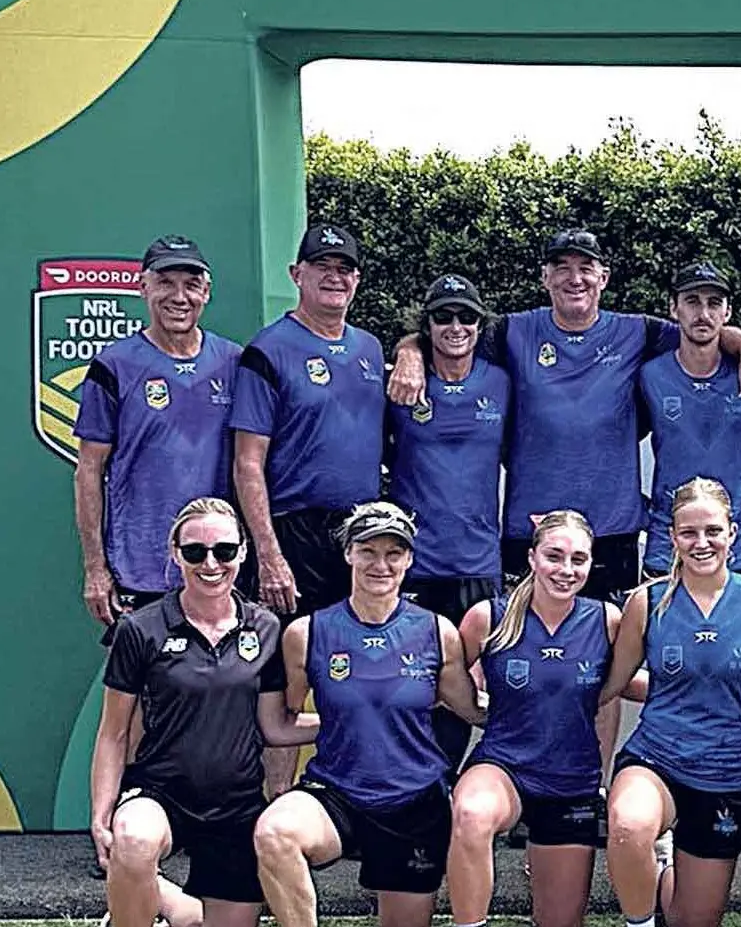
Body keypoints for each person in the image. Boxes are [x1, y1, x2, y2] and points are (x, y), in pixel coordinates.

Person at [388, 228, 741, 600]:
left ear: (603, 277)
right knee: (528, 647)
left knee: (607, 651)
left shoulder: (637, 332)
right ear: (545, 277)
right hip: (534, 529)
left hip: (612, 532)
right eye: (562, 267)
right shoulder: (511, 332)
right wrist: (409, 351)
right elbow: (452, 340)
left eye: (586, 267)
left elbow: (703, 331)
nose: (575, 279)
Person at [88, 497, 316, 927]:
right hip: (162, 795)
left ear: (242, 554)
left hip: (237, 807)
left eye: (223, 550)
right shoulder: (140, 630)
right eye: (196, 551)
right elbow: (114, 732)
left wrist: (354, 719)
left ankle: (151, 895)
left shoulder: (266, 628)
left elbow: (275, 728)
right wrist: (101, 814)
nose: (211, 563)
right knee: (134, 839)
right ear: (175, 554)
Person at [250, 502, 483, 927]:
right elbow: (280, 724)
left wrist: (541, 696)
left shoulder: (436, 632)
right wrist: (334, 727)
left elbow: (470, 708)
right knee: (274, 832)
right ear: (349, 553)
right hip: (338, 793)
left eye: (394, 553)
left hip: (414, 802)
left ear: (409, 560)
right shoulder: (307, 633)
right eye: (369, 551)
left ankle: (389, 890)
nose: (381, 564)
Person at [599, 477, 741, 927]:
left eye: (712, 531)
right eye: (687, 532)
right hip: (655, 756)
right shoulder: (648, 602)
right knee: (630, 822)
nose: (701, 543)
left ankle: (658, 867)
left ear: (734, 532)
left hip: (722, 770)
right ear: (670, 538)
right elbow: (611, 684)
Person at [443, 511, 619, 927]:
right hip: (506, 766)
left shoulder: (606, 620)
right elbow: (451, 681)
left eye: (578, 559)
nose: (566, 569)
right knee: (473, 813)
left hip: (572, 780)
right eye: (554, 556)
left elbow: (627, 681)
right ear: (531, 558)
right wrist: (480, 714)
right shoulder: (488, 617)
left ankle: (539, 868)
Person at [72, 235, 241, 632]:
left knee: (220, 690)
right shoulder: (112, 366)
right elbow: (88, 471)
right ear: (143, 286)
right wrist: (95, 568)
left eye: (191, 284)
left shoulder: (234, 362)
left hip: (218, 566)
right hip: (140, 570)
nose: (179, 296)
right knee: (140, 693)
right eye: (166, 282)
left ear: (207, 292)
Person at [231, 224, 388, 622]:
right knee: (291, 663)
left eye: (344, 268)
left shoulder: (370, 348)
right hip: (296, 532)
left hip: (359, 531)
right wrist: (269, 555)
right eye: (322, 265)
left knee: (349, 660)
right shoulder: (267, 350)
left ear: (357, 279)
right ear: (296, 274)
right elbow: (248, 462)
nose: (334, 276)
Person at [386, 273, 510, 627]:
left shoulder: (502, 382)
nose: (455, 327)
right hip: (414, 561)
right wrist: (408, 350)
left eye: (466, 317)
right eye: (443, 317)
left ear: (479, 324)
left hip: (479, 562)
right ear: (427, 325)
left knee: (478, 676)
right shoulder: (399, 384)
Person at [638, 260, 741, 580]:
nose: (703, 314)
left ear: (727, 312)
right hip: (667, 545)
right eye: (692, 302)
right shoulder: (650, 375)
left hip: (736, 542)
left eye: (713, 303)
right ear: (673, 308)